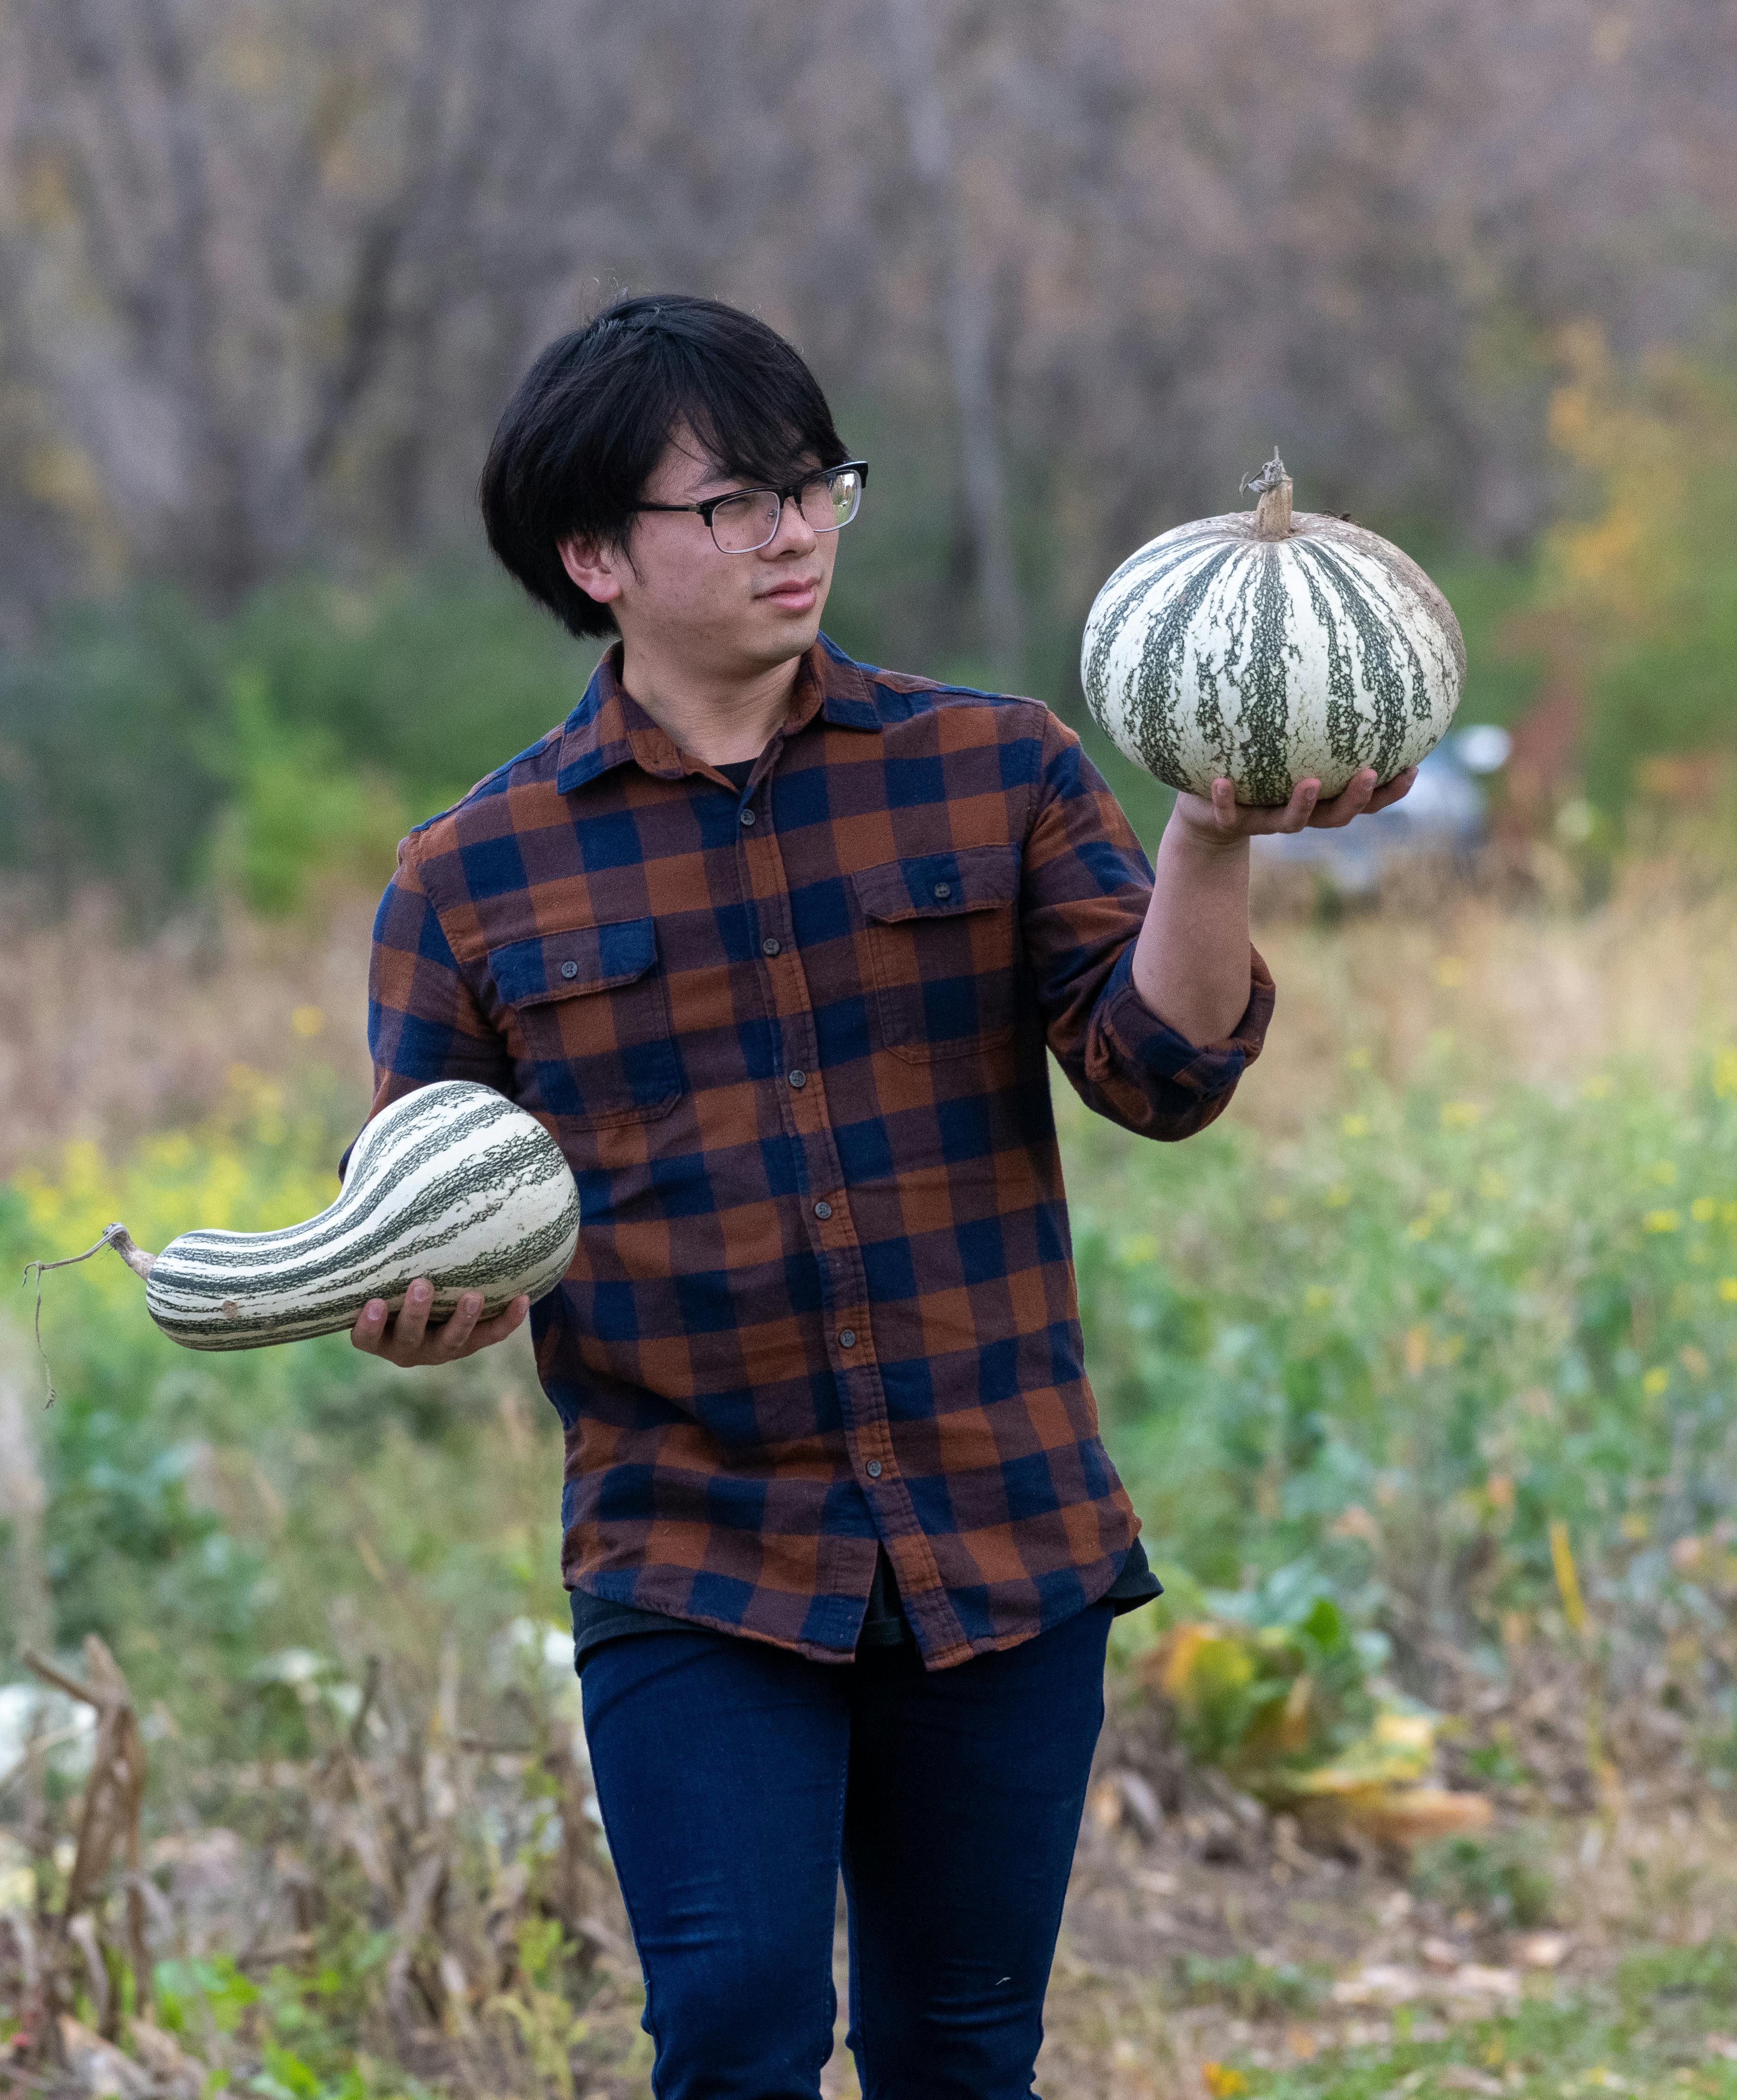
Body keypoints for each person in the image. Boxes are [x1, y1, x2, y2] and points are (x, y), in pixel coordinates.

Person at [350, 293, 1410, 2099]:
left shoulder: (990, 771)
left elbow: (1159, 1074)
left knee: (957, 2049)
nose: (792, 533)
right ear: (593, 554)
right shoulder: (472, 880)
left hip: (1001, 1535)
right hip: (692, 1560)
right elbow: (438, 1213)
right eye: (732, 502)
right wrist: (412, 1313)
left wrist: (1210, 835)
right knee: (738, 2027)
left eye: (814, 485)